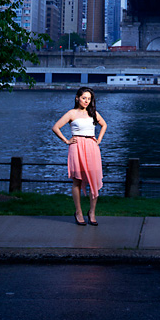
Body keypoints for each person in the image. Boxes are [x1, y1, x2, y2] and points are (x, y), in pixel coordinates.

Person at [52, 87, 107, 225]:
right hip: (76, 146)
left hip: (91, 146)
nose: (86, 101)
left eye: (89, 98)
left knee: (94, 179)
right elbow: (55, 127)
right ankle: (79, 212)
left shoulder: (93, 113)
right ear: (77, 98)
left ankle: (92, 212)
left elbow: (104, 124)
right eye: (84, 98)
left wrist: (99, 139)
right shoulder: (72, 113)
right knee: (77, 180)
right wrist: (66, 141)